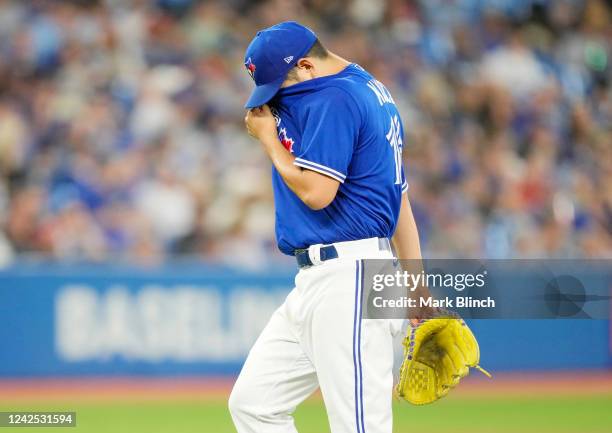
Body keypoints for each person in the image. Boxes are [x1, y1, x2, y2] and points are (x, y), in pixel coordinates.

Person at [229, 21, 423, 433]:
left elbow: (318, 193)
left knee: (359, 426)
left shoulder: (335, 97)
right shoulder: (372, 90)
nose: (277, 100)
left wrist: (269, 141)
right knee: (254, 405)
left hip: (351, 280)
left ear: (305, 65)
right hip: (325, 280)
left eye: (280, 87)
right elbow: (399, 199)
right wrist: (417, 290)